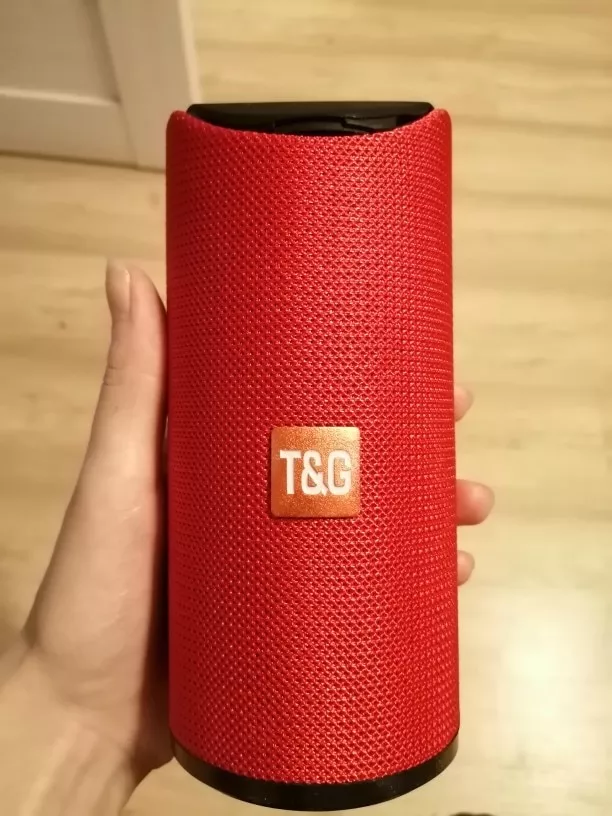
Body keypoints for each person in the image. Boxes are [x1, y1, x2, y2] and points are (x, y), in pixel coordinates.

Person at [0, 262, 494, 815]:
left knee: (409, 456)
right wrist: (72, 706)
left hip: (382, 724)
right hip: (227, 715)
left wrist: (70, 713)